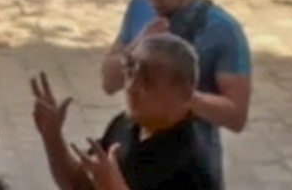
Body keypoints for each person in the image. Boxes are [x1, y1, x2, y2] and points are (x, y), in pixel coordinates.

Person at [99, 0, 249, 184]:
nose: (154, 2)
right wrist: (137, 46)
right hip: (138, 156)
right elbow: (108, 81)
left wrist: (178, 94)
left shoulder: (223, 30)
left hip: (191, 167)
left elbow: (236, 115)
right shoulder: (139, 9)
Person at [32, 38, 217, 190]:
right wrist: (52, 137)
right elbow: (77, 185)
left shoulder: (193, 169)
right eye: (130, 72)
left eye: (146, 80)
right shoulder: (124, 125)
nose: (131, 87)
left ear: (184, 94)